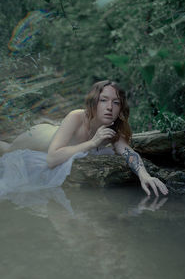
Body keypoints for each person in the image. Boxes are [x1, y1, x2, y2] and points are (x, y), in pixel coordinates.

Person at [0, 80, 168, 197]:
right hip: (38, 138)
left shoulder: (116, 128)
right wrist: (92, 143)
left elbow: (128, 152)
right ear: (94, 103)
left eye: (116, 103)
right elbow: (51, 160)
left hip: (61, 139)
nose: (109, 107)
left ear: (120, 108)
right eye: (104, 100)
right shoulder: (77, 116)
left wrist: (144, 175)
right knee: (7, 149)